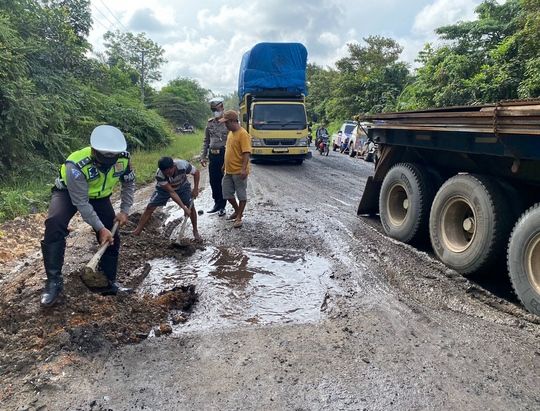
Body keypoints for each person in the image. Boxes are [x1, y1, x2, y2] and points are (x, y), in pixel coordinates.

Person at [40, 125, 136, 307]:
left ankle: (107, 281)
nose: (107, 163)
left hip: (100, 197)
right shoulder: (75, 165)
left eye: (111, 158)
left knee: (112, 235)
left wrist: (124, 210)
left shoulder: (124, 158)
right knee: (54, 223)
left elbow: (129, 183)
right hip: (68, 194)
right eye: (102, 159)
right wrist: (100, 228)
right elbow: (81, 202)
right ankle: (54, 282)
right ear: (93, 151)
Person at [132, 156, 201, 241]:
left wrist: (195, 189)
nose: (168, 174)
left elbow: (196, 172)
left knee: (191, 206)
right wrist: (183, 208)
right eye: (165, 173)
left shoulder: (182, 165)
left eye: (169, 172)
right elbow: (172, 192)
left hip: (182, 186)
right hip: (164, 190)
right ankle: (137, 230)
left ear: (173, 166)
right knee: (150, 207)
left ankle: (195, 231)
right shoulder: (160, 175)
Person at [219, 110, 252, 228]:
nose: (225, 125)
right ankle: (238, 211)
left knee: (241, 195)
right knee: (227, 194)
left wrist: (243, 169)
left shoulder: (243, 134)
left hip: (239, 171)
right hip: (229, 170)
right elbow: (229, 151)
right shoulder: (230, 133)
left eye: (226, 122)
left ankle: (239, 217)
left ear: (233, 121)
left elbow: (246, 152)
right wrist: (224, 164)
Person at [200, 97, 228, 216]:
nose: (215, 112)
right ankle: (216, 203)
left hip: (224, 154)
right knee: (213, 180)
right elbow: (206, 140)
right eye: (213, 110)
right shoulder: (210, 123)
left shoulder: (228, 122)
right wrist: (203, 156)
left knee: (223, 180)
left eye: (216, 109)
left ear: (222, 107)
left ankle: (222, 206)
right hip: (213, 155)